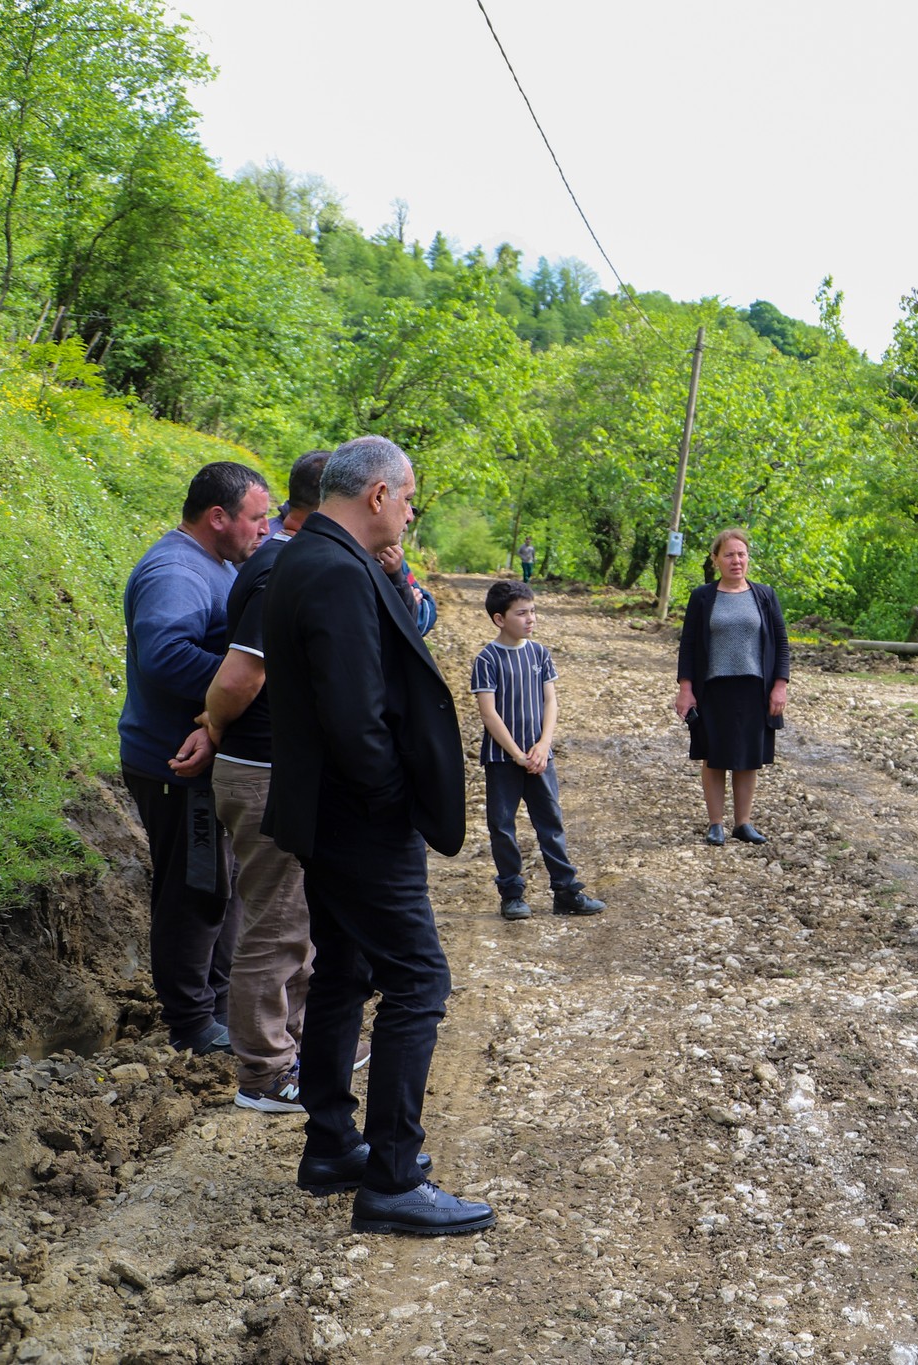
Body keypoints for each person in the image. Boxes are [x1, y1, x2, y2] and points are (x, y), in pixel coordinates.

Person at [262, 435, 493, 1236]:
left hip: (327, 813)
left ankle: (332, 1143)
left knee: (344, 969)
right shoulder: (331, 569)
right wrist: (394, 801)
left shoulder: (314, 556)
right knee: (418, 979)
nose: (411, 513)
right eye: (410, 498)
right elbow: (354, 717)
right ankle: (394, 1177)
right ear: (378, 495)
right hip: (357, 817)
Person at [119, 460, 271, 1054]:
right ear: (218, 517)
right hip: (173, 766)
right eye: (256, 518)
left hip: (199, 759)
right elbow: (165, 655)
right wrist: (244, 686)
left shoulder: (216, 564)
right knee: (194, 891)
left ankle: (218, 1007)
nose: (265, 529)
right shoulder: (176, 572)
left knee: (218, 888)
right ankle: (190, 1023)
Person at [202, 450, 332, 1112]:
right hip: (260, 773)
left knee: (295, 921)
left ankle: (294, 1048)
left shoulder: (288, 558)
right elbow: (239, 678)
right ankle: (263, 1073)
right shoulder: (279, 566)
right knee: (274, 926)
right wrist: (214, 725)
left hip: (277, 771)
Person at [471, 579, 606, 919]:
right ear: (499, 619)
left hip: (540, 757)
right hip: (502, 759)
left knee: (550, 822)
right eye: (521, 613)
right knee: (502, 826)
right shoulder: (487, 659)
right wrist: (517, 754)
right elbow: (488, 713)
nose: (530, 618)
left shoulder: (539, 653)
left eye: (532, 611)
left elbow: (550, 702)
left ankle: (566, 890)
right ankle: (511, 894)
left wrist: (544, 745)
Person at [674, 528, 790, 845]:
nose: (736, 560)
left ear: (748, 558)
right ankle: (716, 824)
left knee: (748, 756)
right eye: (728, 555)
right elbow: (688, 645)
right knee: (714, 755)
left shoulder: (764, 595)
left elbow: (781, 643)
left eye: (741, 554)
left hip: (755, 689)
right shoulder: (702, 597)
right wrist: (685, 688)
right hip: (712, 689)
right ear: (715, 560)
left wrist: (780, 685)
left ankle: (743, 823)